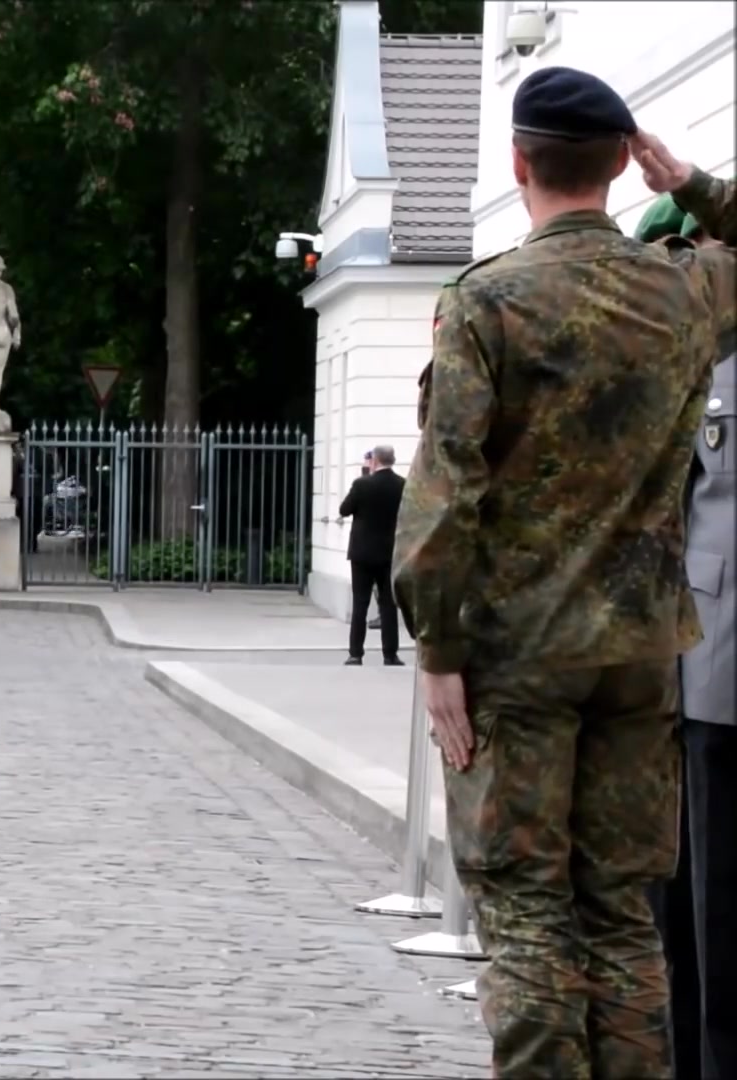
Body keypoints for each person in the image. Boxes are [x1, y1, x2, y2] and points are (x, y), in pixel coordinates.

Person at [391, 66, 735, 1079]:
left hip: (518, 655)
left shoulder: (488, 301)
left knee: (530, 911)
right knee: (623, 914)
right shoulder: (687, 287)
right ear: (625, 163)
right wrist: (699, 182)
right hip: (639, 656)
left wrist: (439, 651)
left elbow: (445, 492)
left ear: (517, 162)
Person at [639, 195, 733, 1080]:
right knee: (678, 914)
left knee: (718, 919)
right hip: (672, 669)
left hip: (717, 673)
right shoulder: (681, 371)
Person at [339, 444, 405, 666]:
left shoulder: (362, 484)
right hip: (389, 553)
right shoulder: (402, 485)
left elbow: (344, 509)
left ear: (374, 461)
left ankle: (356, 653)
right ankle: (390, 654)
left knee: (360, 603)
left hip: (362, 553)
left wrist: (363, 476)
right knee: (388, 605)